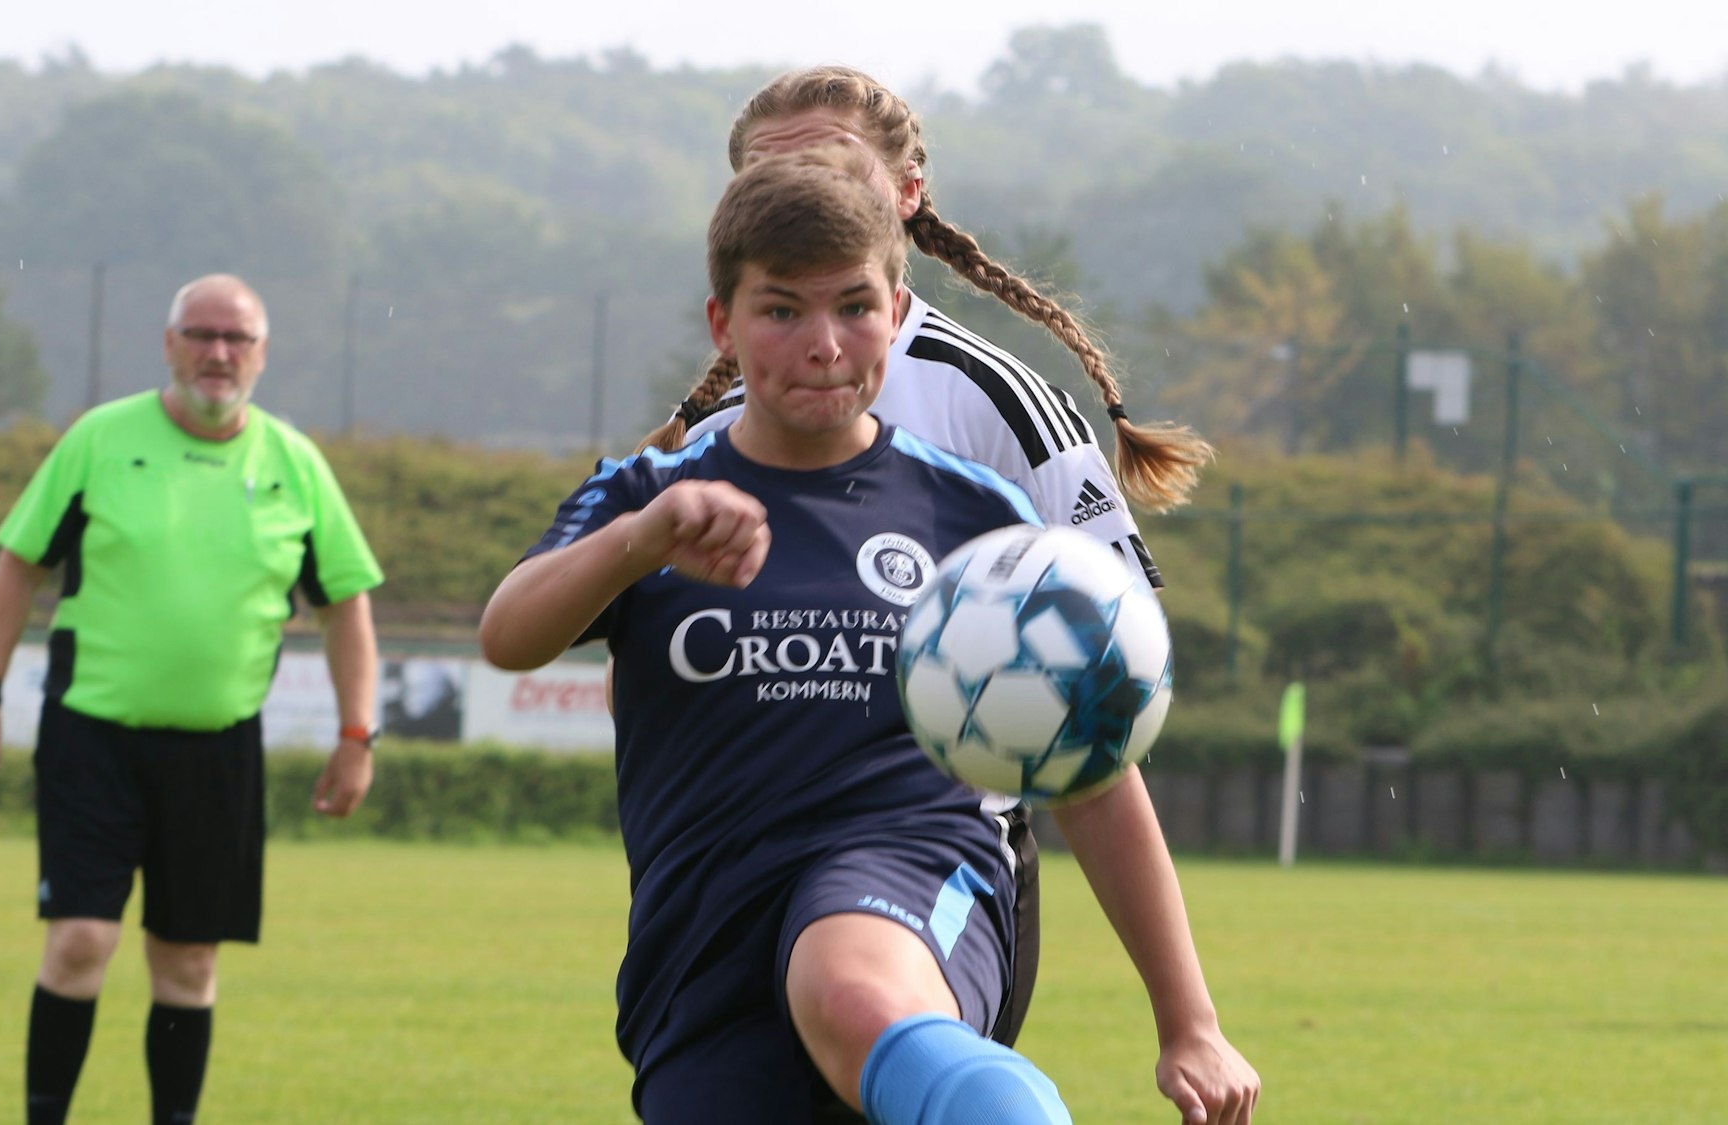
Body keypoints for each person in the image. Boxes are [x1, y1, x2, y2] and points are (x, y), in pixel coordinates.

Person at [487, 147, 1256, 1124]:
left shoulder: (974, 518)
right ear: (723, 325)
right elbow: (509, 633)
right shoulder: (645, 498)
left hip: (909, 866)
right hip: (702, 941)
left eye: (853, 306)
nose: (824, 343)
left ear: (896, 311)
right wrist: (638, 545)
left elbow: (1089, 769)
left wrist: (1187, 1019)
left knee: (851, 989)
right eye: (781, 310)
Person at [636, 65, 1217, 1052]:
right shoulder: (710, 442)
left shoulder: (984, 401)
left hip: (935, 870)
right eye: (766, 180)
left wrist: (1185, 1019)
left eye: (835, 167)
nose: (804, 196)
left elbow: (1098, 696)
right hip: (736, 882)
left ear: (905, 197)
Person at [0, 274, 385, 1124]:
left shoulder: (294, 463)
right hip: (92, 736)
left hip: (219, 747)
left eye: (238, 339)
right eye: (201, 333)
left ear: (261, 355)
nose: (218, 352)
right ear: (169, 343)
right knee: (80, 942)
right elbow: (17, 568)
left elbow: (347, 606)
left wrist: (357, 732)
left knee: (187, 962)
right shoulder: (100, 439)